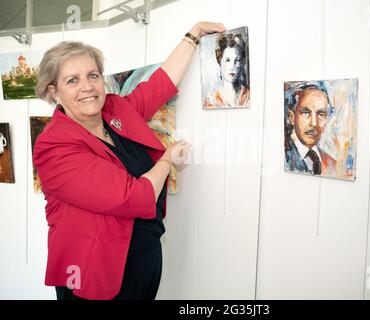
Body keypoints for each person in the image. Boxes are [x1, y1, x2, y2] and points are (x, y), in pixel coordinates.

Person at [33, 22, 226, 300]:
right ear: (53, 92)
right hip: (94, 273)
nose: (87, 87)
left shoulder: (114, 110)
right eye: (72, 80)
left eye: (93, 75)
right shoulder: (54, 145)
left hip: (143, 257)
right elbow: (132, 197)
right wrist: (167, 159)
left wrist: (193, 36)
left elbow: (160, 86)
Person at [285, 83, 336, 176]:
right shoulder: (284, 158)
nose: (314, 123)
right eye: (305, 113)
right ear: (292, 117)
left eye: (321, 114)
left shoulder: (332, 164)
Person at [203, 32, 250, 108]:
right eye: (227, 60)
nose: (232, 66)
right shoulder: (210, 102)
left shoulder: (249, 96)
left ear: (241, 62)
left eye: (237, 60)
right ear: (219, 61)